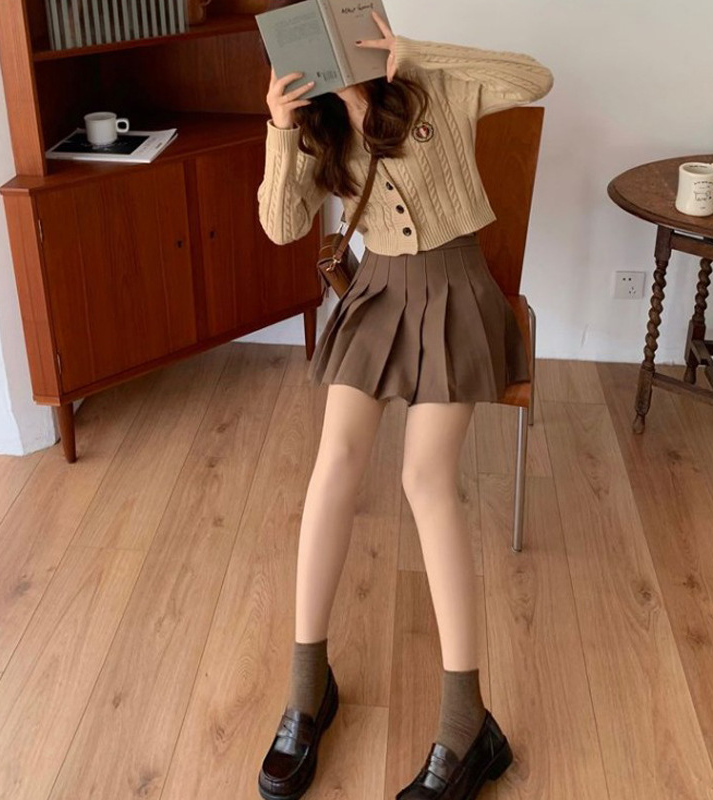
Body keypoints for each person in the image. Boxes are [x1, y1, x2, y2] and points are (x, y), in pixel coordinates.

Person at [256, 6, 553, 799]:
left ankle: (466, 724)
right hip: (377, 294)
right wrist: (280, 128)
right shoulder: (318, 124)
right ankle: (307, 691)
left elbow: (535, 78)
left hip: (457, 289)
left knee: (425, 478)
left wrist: (417, 53)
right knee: (334, 463)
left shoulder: (428, 82)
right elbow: (282, 226)